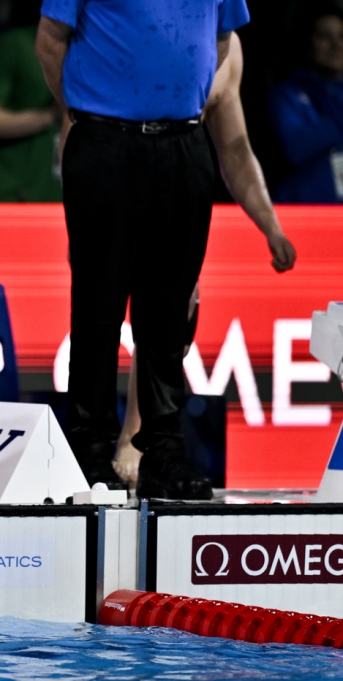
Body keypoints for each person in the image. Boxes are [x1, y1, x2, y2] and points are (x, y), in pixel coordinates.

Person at [35, 0, 249, 500]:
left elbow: (221, 42)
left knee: (170, 310)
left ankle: (161, 451)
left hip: (184, 143)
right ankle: (88, 449)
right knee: (98, 306)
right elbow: (50, 40)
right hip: (106, 141)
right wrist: (86, 106)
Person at [113, 33, 298, 483]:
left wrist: (270, 225)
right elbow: (77, 117)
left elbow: (234, 147)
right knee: (107, 310)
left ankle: (143, 436)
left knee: (176, 303)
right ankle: (107, 442)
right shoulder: (133, 20)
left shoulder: (228, 45)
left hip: (180, 176)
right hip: (117, 165)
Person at [0, 23, 62, 202]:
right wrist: (51, 115)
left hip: (63, 202)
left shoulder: (98, 52)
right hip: (9, 198)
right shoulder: (16, 44)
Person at [269, 3, 343, 204]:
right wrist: (336, 122)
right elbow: (294, 149)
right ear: (307, 44)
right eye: (325, 36)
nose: (336, 45)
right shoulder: (288, 94)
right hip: (304, 209)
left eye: (341, 36)